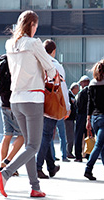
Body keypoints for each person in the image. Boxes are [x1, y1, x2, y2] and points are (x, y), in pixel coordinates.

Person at [0, 10, 57, 198]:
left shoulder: (9, 43)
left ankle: (35, 187)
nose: (36, 28)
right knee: (34, 146)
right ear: (32, 25)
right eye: (36, 25)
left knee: (29, 145)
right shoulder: (34, 43)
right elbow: (50, 67)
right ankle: (5, 174)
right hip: (33, 99)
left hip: (15, 101)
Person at [36, 39, 70, 179]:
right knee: (46, 136)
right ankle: (38, 167)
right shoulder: (55, 65)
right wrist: (67, 107)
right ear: (54, 51)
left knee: (46, 135)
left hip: (37, 102)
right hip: (51, 105)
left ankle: (51, 166)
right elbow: (62, 88)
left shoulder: (37, 63)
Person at [84, 58, 104, 181]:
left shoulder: (92, 84)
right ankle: (88, 168)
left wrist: (88, 119)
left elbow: (89, 104)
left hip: (94, 119)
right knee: (99, 144)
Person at [0, 55, 24, 176]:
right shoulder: (14, 63)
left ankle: (3, 165)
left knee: (7, 135)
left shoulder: (2, 64)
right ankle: (7, 163)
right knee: (23, 135)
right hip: (13, 104)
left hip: (3, 104)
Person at [74, 75, 90, 161]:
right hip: (89, 115)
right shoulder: (91, 91)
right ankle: (88, 154)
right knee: (89, 135)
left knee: (78, 136)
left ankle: (78, 156)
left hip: (81, 116)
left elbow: (78, 105)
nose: (81, 84)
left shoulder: (82, 92)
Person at [65, 82, 79, 159]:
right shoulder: (69, 95)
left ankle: (68, 151)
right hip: (68, 118)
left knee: (70, 135)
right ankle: (68, 152)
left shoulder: (72, 95)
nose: (78, 90)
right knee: (70, 136)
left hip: (71, 118)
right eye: (77, 89)